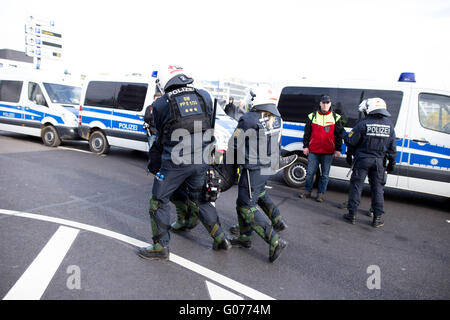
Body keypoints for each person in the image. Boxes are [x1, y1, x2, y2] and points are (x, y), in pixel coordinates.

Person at [138, 65, 231, 260]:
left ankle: (160, 247)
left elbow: (160, 135)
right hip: (202, 159)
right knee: (201, 199)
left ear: (164, 82)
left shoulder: (162, 103)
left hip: (175, 161)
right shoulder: (204, 95)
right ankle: (220, 237)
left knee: (158, 201)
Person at [228, 84, 288, 263]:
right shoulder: (276, 117)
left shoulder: (250, 118)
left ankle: (274, 240)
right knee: (248, 199)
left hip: (252, 168)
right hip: (268, 166)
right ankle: (245, 237)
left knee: (246, 206)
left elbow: (234, 144)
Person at [342, 98, 397, 227]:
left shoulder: (363, 124)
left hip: (362, 160)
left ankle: (352, 215)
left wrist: (344, 134)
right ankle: (377, 219)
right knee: (378, 189)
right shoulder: (389, 125)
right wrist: (391, 165)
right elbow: (393, 148)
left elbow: (351, 142)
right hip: (379, 162)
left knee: (356, 187)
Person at [298, 95, 343, 202]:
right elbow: (307, 133)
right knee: (309, 173)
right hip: (313, 150)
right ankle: (307, 191)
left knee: (325, 175)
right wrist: (305, 146)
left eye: (327, 103)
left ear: (330, 104)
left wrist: (338, 149)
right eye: (323, 102)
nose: (325, 105)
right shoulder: (312, 116)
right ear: (320, 104)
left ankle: (320, 194)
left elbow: (339, 135)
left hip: (328, 152)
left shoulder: (335, 117)